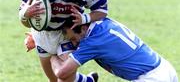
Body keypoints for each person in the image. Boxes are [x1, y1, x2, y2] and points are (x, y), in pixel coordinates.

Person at [19, 0, 107, 82]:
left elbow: (102, 10)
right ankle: (87, 80)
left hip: (67, 33)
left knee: (64, 76)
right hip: (43, 35)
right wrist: (26, 15)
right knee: (53, 79)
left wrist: (84, 19)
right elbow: (23, 17)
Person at [50, 17, 178, 82]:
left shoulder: (92, 42)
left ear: (83, 28)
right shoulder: (103, 21)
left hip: (152, 78)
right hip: (164, 68)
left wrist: (52, 56)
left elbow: (62, 73)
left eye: (73, 38)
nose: (74, 43)